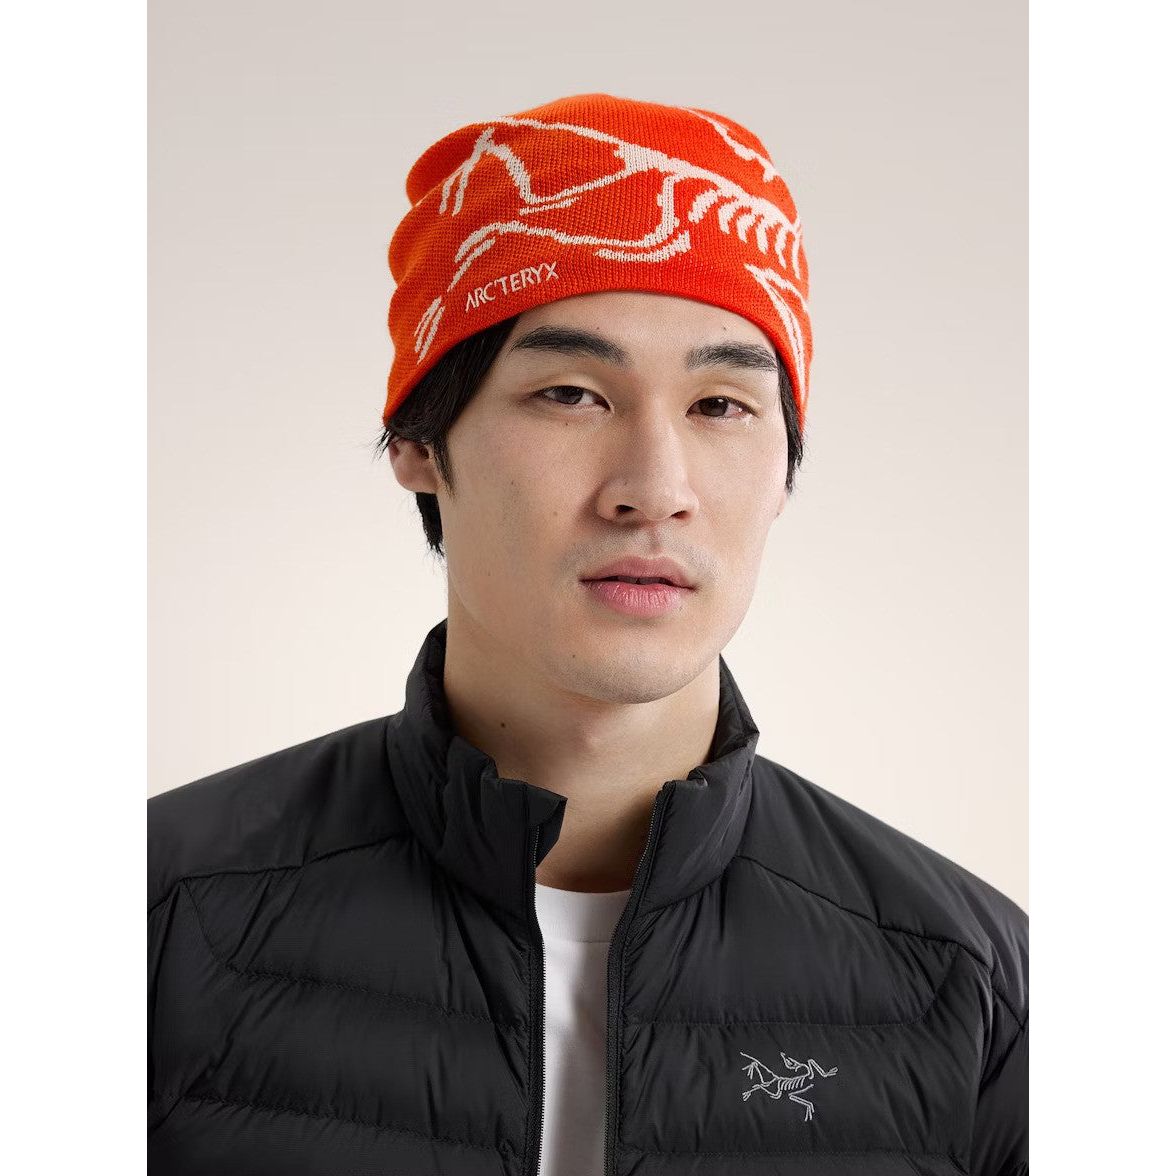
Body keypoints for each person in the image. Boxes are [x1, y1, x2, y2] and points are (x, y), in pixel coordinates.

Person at [148, 92, 1028, 1176]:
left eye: (721, 406)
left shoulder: (972, 985)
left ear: (783, 469)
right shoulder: (156, 920)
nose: (654, 489)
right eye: (570, 394)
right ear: (419, 443)